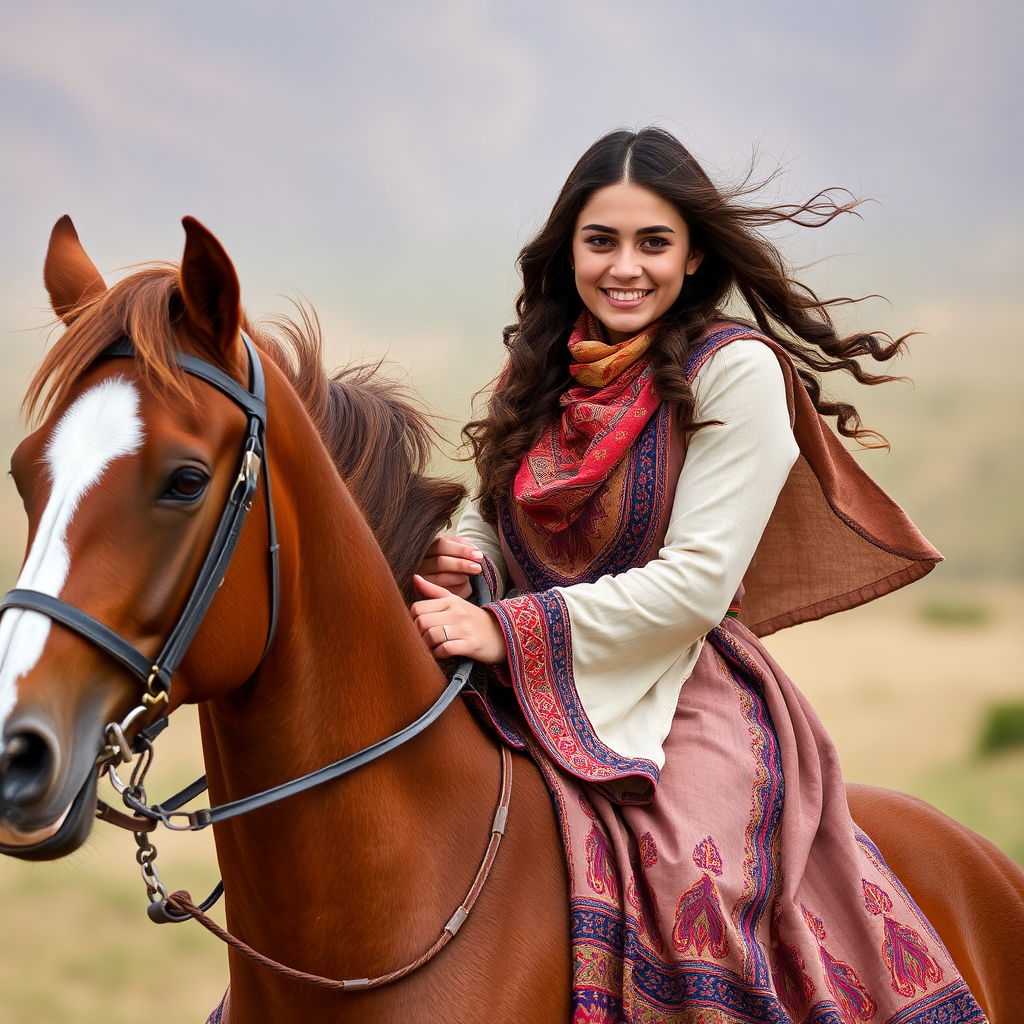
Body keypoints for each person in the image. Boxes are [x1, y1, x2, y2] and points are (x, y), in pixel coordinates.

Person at [411, 128, 985, 1021]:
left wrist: (505, 628)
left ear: (693, 256)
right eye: (602, 241)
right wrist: (467, 554)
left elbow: (695, 584)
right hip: (521, 676)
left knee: (695, 883)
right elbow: (494, 506)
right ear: (570, 249)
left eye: (653, 243)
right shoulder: (537, 366)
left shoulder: (738, 373)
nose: (624, 268)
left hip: (683, 691)